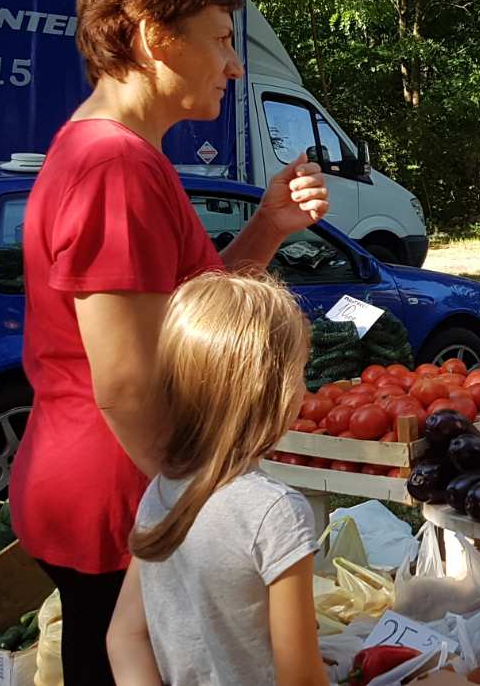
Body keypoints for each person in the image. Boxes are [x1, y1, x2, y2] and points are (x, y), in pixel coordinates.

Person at [10, 0, 330, 686]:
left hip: (111, 487)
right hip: (117, 494)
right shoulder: (112, 166)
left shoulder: (121, 154)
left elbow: (191, 324)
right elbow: (127, 382)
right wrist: (199, 507)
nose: (235, 64)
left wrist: (268, 228)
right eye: (221, 39)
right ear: (156, 36)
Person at [107, 271, 329, 686]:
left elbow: (124, 637)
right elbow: (301, 678)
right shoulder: (277, 512)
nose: (304, 386)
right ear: (272, 392)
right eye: (300, 370)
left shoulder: (162, 490)